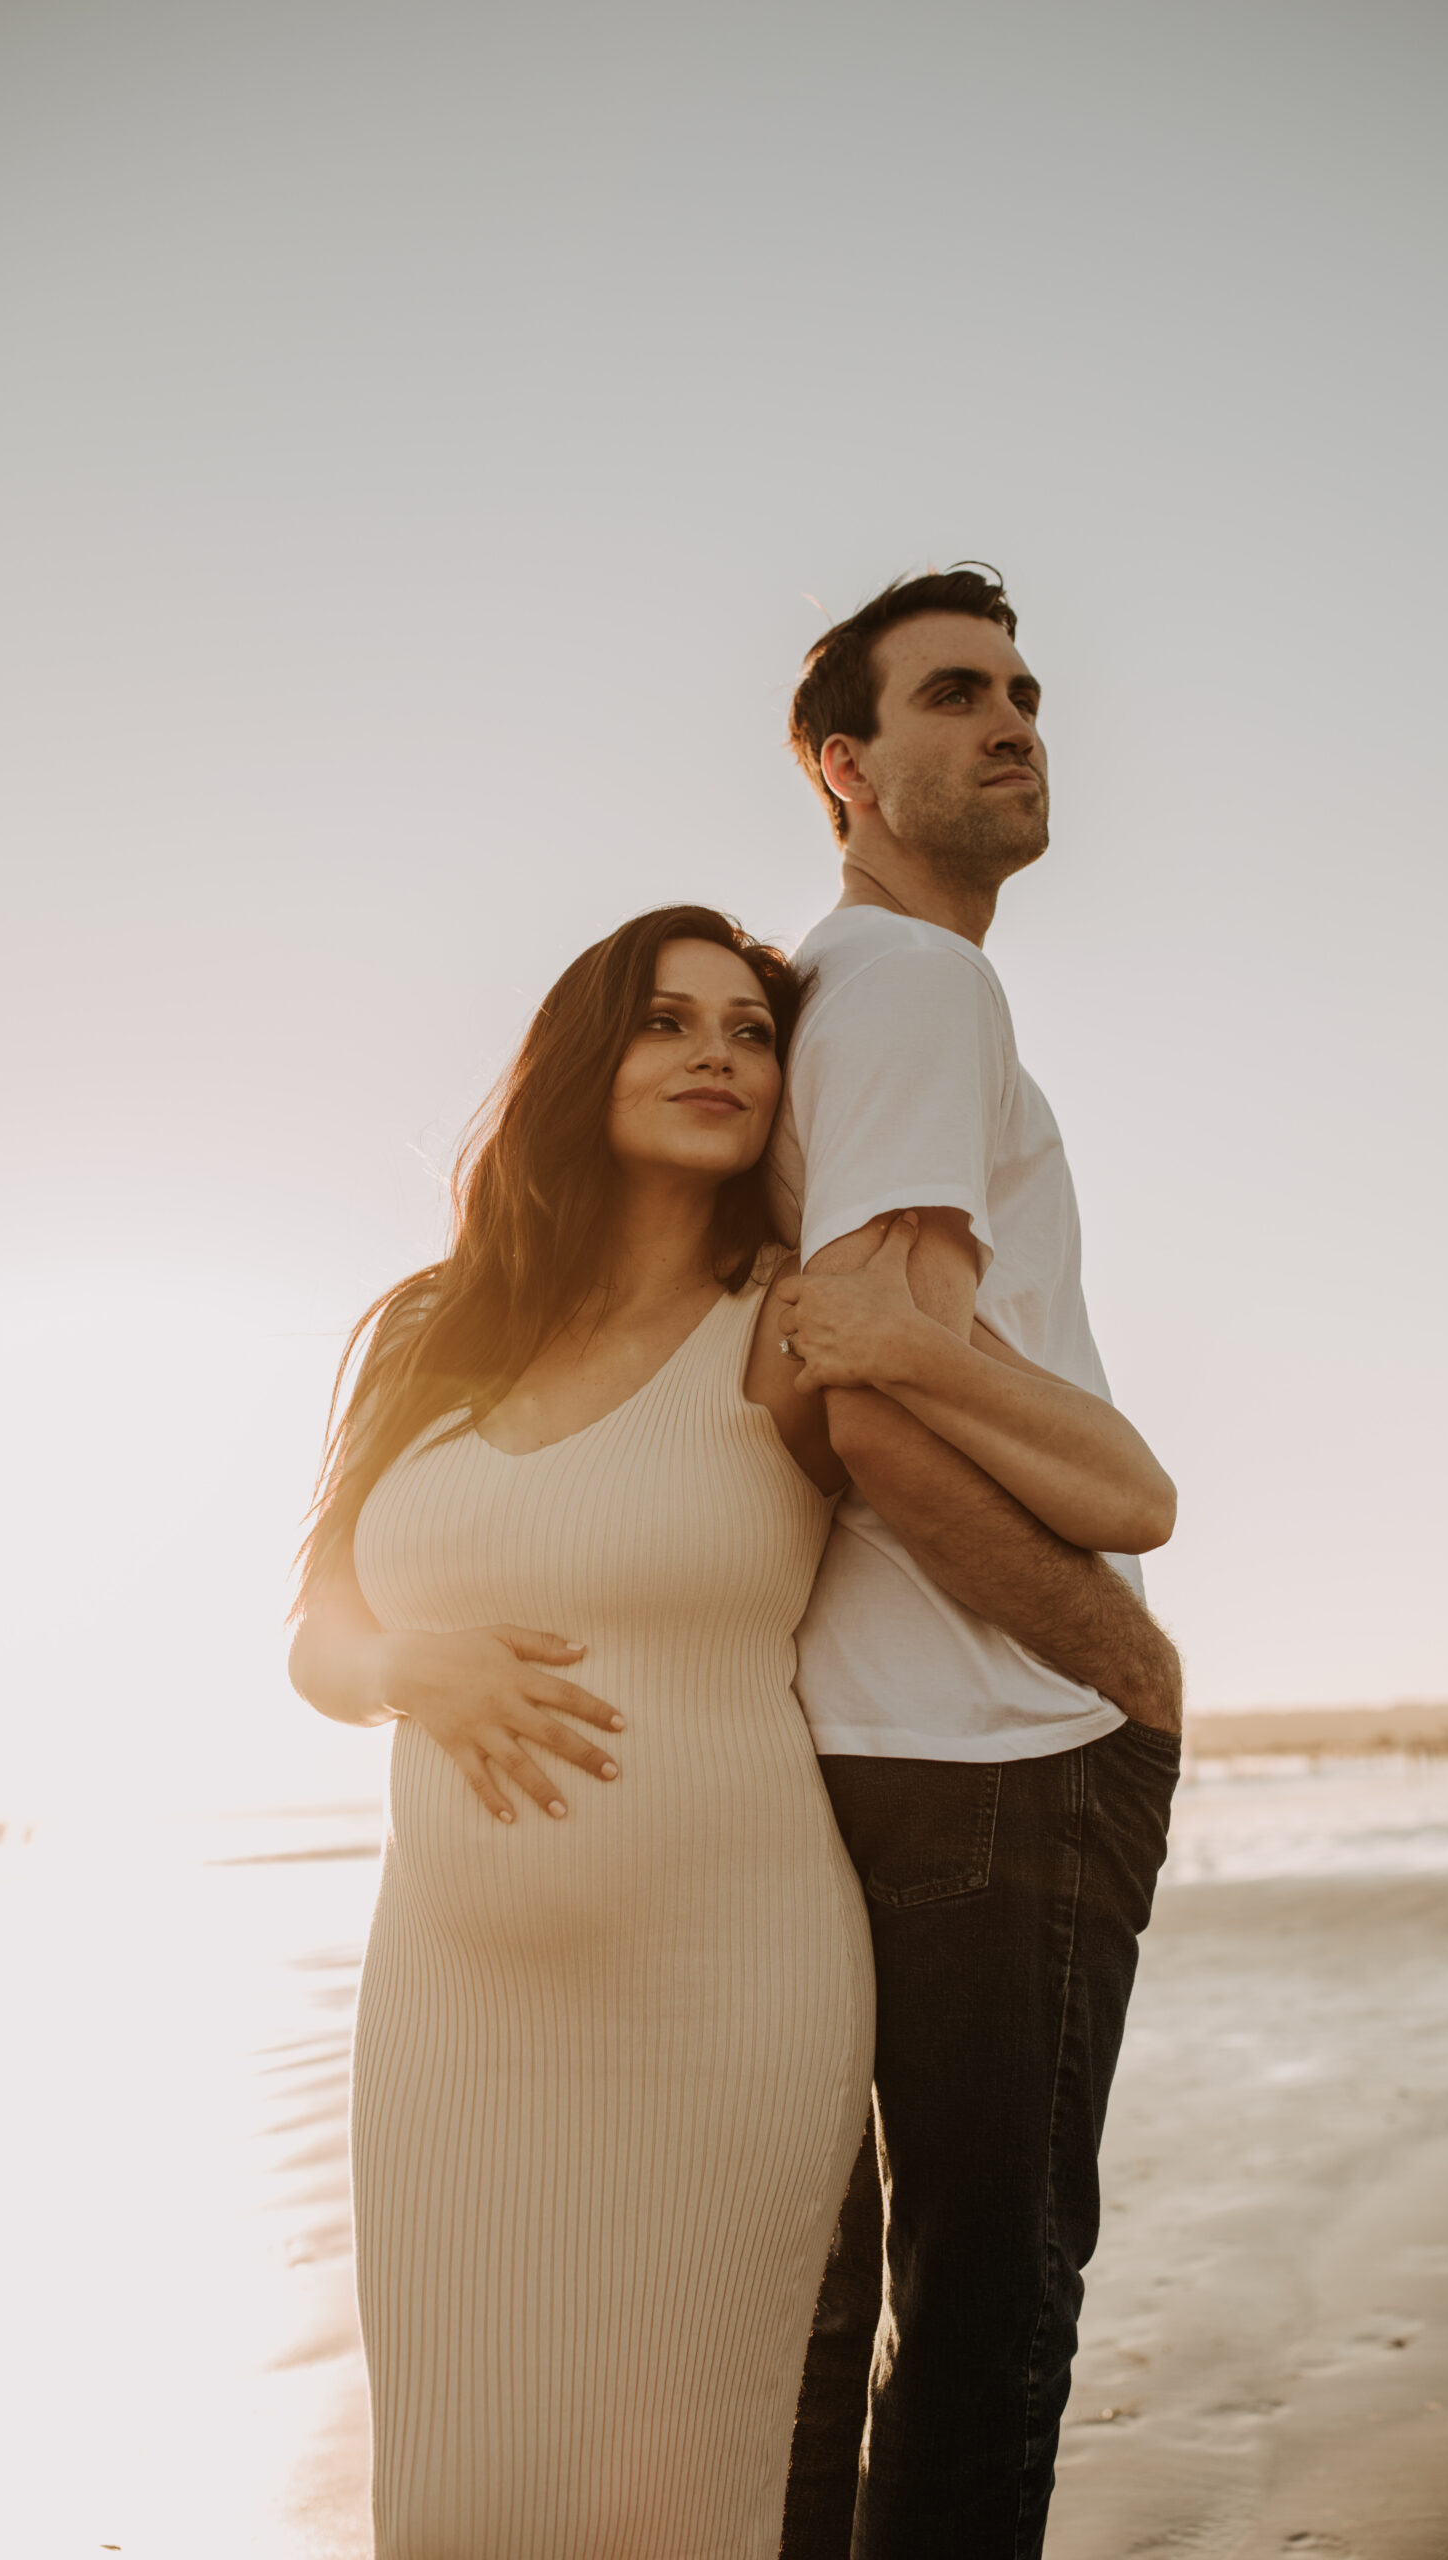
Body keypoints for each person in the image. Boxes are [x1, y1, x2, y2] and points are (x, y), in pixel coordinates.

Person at [287, 902, 1173, 2560]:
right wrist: (417, 1666)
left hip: (732, 2004)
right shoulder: (429, 1330)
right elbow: (316, 1644)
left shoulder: (780, 1329)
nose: (715, 1053)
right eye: (668, 1020)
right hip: (453, 2013)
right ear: (581, 1061)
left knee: (687, 2499)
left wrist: (924, 1365)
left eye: (752, 1033)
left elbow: (1131, 1492)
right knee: (462, 2500)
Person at [771, 566, 1185, 2560]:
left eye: (1024, 690)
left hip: (873, 1752)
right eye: (953, 695)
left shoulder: (831, 999)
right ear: (842, 769)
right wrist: (1122, 1662)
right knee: (988, 2328)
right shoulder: (918, 984)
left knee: (842, 2329)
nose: (1014, 722)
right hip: (993, 1757)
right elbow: (873, 1404)